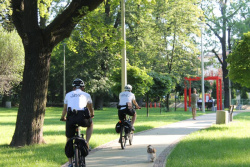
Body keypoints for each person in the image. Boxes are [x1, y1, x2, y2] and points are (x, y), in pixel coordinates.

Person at [60, 78, 94, 167]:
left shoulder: (68, 95)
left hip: (71, 117)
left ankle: (70, 163)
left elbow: (65, 109)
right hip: (83, 117)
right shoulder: (86, 94)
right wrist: (92, 114)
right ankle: (86, 142)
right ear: (82, 87)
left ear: (73, 87)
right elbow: (90, 107)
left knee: (68, 138)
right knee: (90, 124)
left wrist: (62, 117)